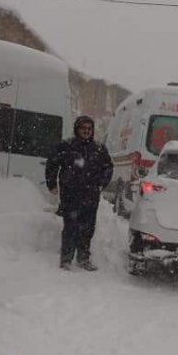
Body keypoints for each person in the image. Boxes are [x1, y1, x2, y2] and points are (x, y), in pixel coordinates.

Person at [45, 115, 113, 271]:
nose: (86, 131)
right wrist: (52, 184)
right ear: (77, 129)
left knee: (88, 228)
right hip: (70, 194)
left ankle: (83, 259)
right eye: (83, 128)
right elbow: (52, 164)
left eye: (89, 128)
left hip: (91, 195)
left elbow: (108, 167)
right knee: (70, 227)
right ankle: (66, 259)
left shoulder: (99, 149)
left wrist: (101, 183)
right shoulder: (66, 146)